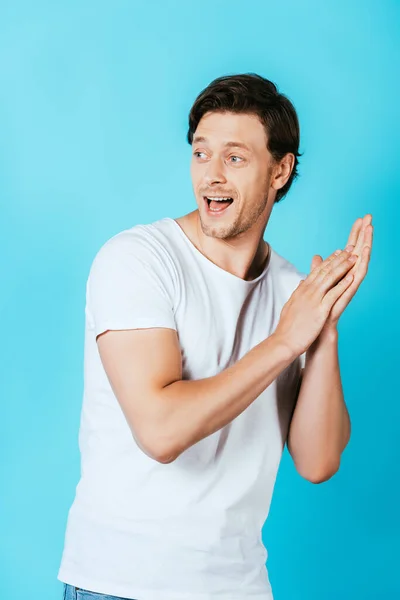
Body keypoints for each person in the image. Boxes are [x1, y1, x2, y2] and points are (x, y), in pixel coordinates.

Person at [58, 73, 373, 600]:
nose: (212, 177)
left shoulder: (295, 295)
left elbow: (318, 463)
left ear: (280, 170)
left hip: (238, 588)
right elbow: (160, 433)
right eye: (201, 154)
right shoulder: (138, 260)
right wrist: (284, 342)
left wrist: (323, 332)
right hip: (119, 585)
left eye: (234, 158)